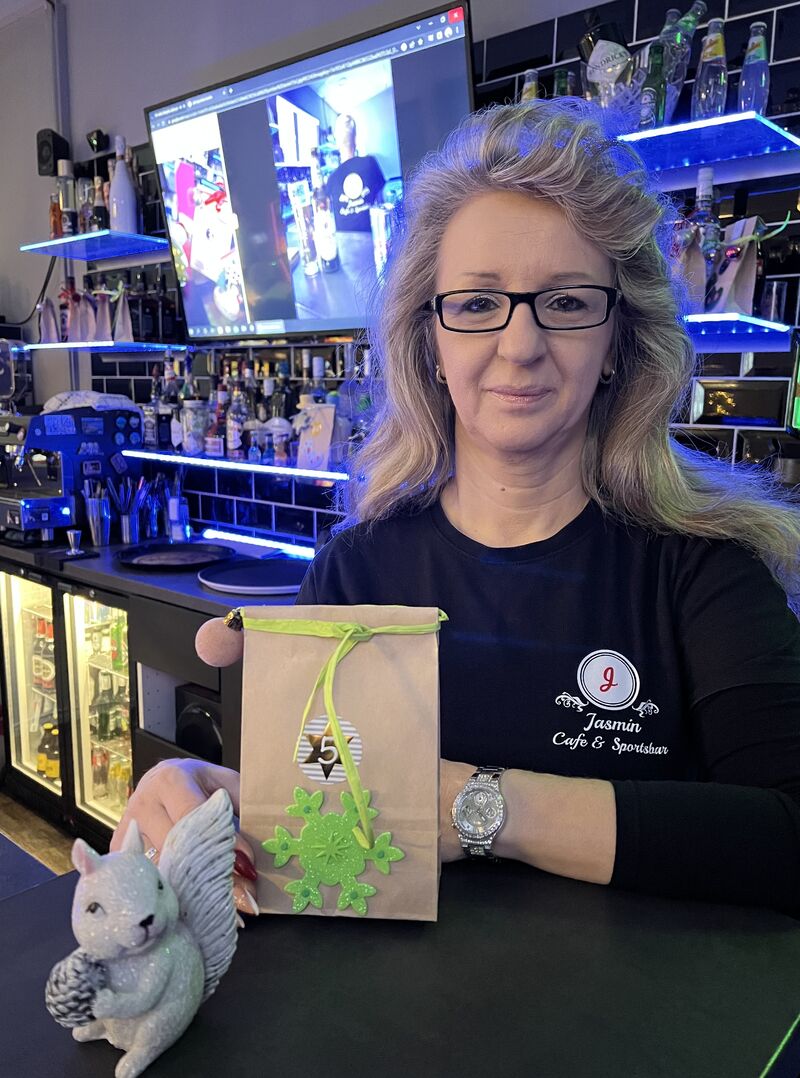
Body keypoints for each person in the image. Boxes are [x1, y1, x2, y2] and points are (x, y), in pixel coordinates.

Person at [113, 99, 800, 920]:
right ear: (430, 342)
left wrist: (476, 809)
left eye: (567, 302)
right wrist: (205, 796)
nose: (520, 344)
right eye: (476, 303)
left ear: (617, 341)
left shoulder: (704, 571)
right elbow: (316, 830)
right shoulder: (356, 571)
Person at [324, 112, 386, 232]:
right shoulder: (370, 163)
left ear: (337, 142)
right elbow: (381, 202)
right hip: (373, 236)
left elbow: (328, 217)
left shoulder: (332, 179)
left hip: (345, 242)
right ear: (355, 139)